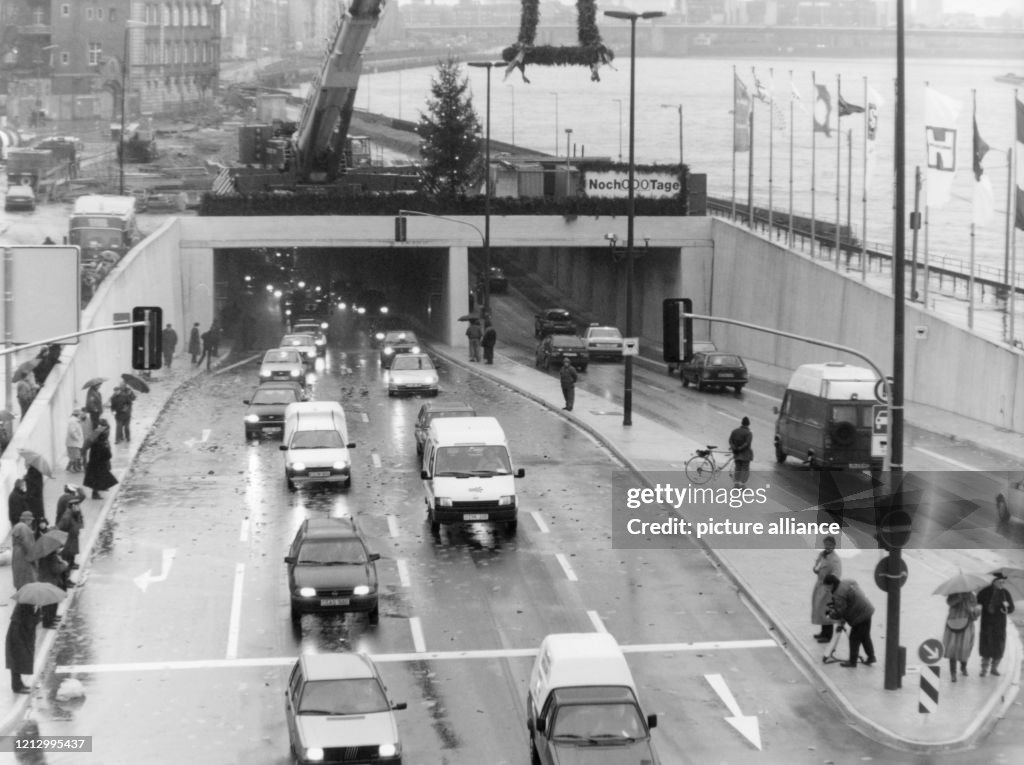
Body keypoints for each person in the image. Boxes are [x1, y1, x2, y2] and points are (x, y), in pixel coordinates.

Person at [823, 574, 876, 667]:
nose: (826, 589)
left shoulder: (838, 594)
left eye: (827, 587)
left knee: (854, 638)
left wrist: (831, 615)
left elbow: (840, 611)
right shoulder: (847, 581)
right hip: (867, 609)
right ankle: (871, 657)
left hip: (860, 615)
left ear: (831, 584)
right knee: (865, 636)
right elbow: (854, 586)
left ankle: (852, 662)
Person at [977, 573, 1015, 677]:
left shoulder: (1005, 593)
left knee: (998, 647)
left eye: (1003, 582)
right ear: (994, 582)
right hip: (987, 624)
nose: (1002, 584)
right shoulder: (985, 592)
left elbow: (1011, 608)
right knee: (986, 647)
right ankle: (984, 669)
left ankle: (994, 668)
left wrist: (1006, 608)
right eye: (1000, 582)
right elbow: (978, 600)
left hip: (999, 625)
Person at [942, 591, 979, 682]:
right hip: (953, 623)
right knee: (952, 648)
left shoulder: (972, 596)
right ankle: (953, 673)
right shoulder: (953, 595)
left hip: (967, 625)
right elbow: (950, 603)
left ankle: (963, 666)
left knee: (965, 647)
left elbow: (975, 613)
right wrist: (960, 597)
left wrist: (974, 611)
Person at [811, 535, 842, 643]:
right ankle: (823, 632)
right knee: (820, 610)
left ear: (834, 546)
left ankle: (828, 636)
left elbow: (837, 574)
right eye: (826, 545)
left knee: (826, 612)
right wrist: (815, 569)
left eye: (830, 545)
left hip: (828, 589)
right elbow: (817, 566)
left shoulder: (835, 560)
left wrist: (830, 579)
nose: (828, 547)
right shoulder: (822, 555)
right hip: (820, 586)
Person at [6, 601, 39, 693]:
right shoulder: (26, 605)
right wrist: (38, 614)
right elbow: (30, 623)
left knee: (17, 660)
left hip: (18, 632)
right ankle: (17, 686)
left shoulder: (26, 603)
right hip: (18, 634)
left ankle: (18, 684)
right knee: (17, 660)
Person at [36, 544, 68, 629]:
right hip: (50, 582)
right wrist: (64, 564)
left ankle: (52, 618)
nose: (59, 549)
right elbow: (56, 570)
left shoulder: (47, 556)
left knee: (51, 603)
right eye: (58, 547)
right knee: (50, 604)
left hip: (45, 581)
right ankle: (48, 622)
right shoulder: (52, 557)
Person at [83, 420, 118, 500]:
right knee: (98, 479)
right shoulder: (101, 445)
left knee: (100, 477)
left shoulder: (95, 442)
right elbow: (107, 455)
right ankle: (95, 493)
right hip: (99, 464)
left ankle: (101, 488)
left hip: (95, 463)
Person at [57, 492, 85, 571]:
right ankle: (70, 565)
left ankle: (72, 563)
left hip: (72, 536)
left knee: (72, 551)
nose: (77, 507)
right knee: (69, 552)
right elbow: (63, 525)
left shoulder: (73, 512)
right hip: (69, 536)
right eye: (76, 505)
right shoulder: (68, 514)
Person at [10, 511, 38, 591]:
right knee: (27, 576)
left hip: (16, 553)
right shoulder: (25, 528)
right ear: (27, 520)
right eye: (31, 520)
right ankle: (26, 597)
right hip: (23, 554)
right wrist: (34, 559)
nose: (31, 522)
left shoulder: (17, 526)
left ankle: (20, 594)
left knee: (18, 575)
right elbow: (28, 545)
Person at [729, 416, 754, 488]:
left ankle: (736, 484)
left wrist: (734, 448)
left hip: (736, 454)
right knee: (745, 470)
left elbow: (730, 441)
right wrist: (740, 448)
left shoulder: (734, 431)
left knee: (737, 468)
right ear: (748, 424)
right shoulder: (749, 433)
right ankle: (742, 485)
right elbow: (747, 443)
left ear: (742, 423)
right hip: (745, 454)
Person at [23, 465, 45, 529]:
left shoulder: (35, 473)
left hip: (35, 502)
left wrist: (29, 496)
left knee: (36, 520)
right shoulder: (32, 472)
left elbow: (36, 488)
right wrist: (26, 478)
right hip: (33, 502)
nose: (25, 463)